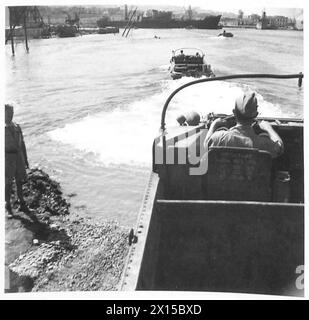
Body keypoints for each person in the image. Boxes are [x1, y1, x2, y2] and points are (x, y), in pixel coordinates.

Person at [204, 91, 284, 158]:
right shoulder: (264, 144)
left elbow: (206, 145)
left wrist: (213, 125)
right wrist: (269, 129)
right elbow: (280, 147)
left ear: (234, 112)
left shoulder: (220, 137)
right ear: (256, 114)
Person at [5, 103, 29, 218]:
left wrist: (26, 159)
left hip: (19, 157)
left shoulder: (17, 126)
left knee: (19, 181)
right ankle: (7, 206)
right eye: (8, 112)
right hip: (7, 158)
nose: (10, 115)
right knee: (7, 183)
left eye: (12, 112)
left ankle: (21, 202)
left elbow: (22, 143)